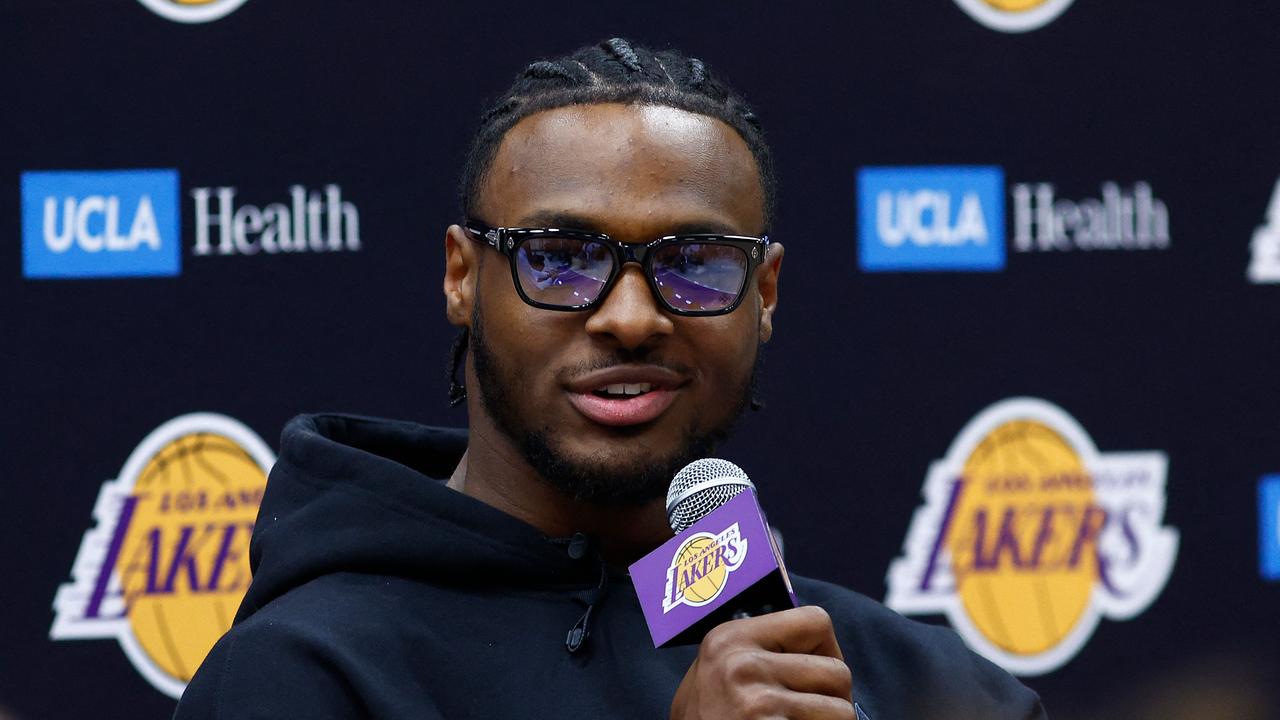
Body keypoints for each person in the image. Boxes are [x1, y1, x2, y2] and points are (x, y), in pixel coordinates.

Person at [174, 38, 1046, 720]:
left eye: (695, 262)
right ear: (461, 278)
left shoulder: (921, 687)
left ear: (766, 293)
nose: (631, 317)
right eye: (559, 258)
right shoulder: (301, 676)